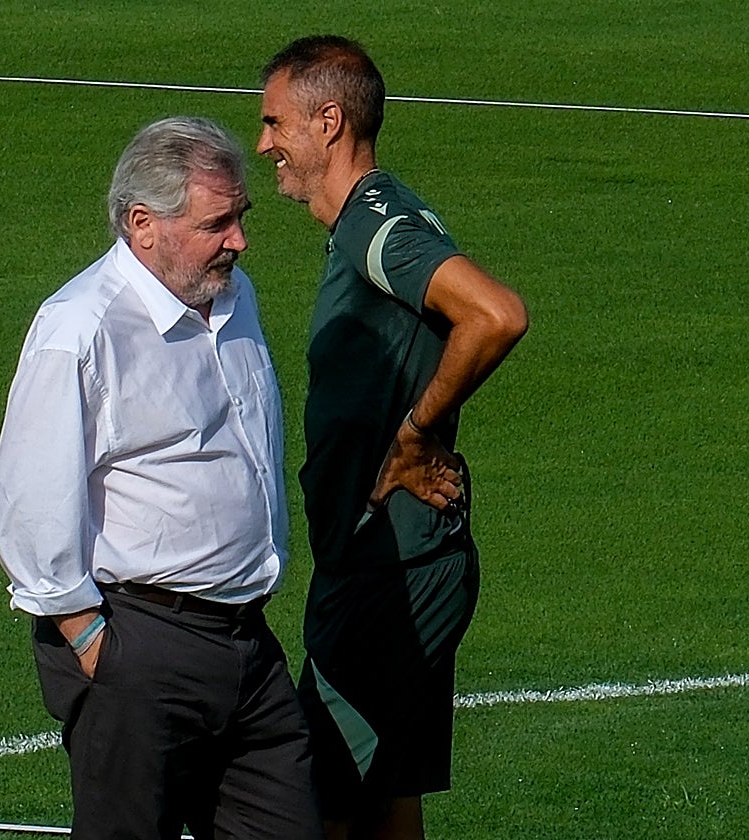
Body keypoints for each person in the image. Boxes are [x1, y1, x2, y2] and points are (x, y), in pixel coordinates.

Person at [0, 116, 324, 840]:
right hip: (140, 642)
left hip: (247, 642)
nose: (240, 240)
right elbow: (28, 501)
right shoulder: (81, 329)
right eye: (217, 223)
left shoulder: (234, 296)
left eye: (240, 217)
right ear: (143, 224)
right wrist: (92, 641)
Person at [257, 37, 530, 839]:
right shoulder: (378, 217)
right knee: (389, 798)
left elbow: (496, 314)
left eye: (275, 123)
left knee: (320, 808)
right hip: (398, 560)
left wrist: (415, 433)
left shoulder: (378, 228)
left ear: (328, 122)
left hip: (388, 570)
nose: (264, 144)